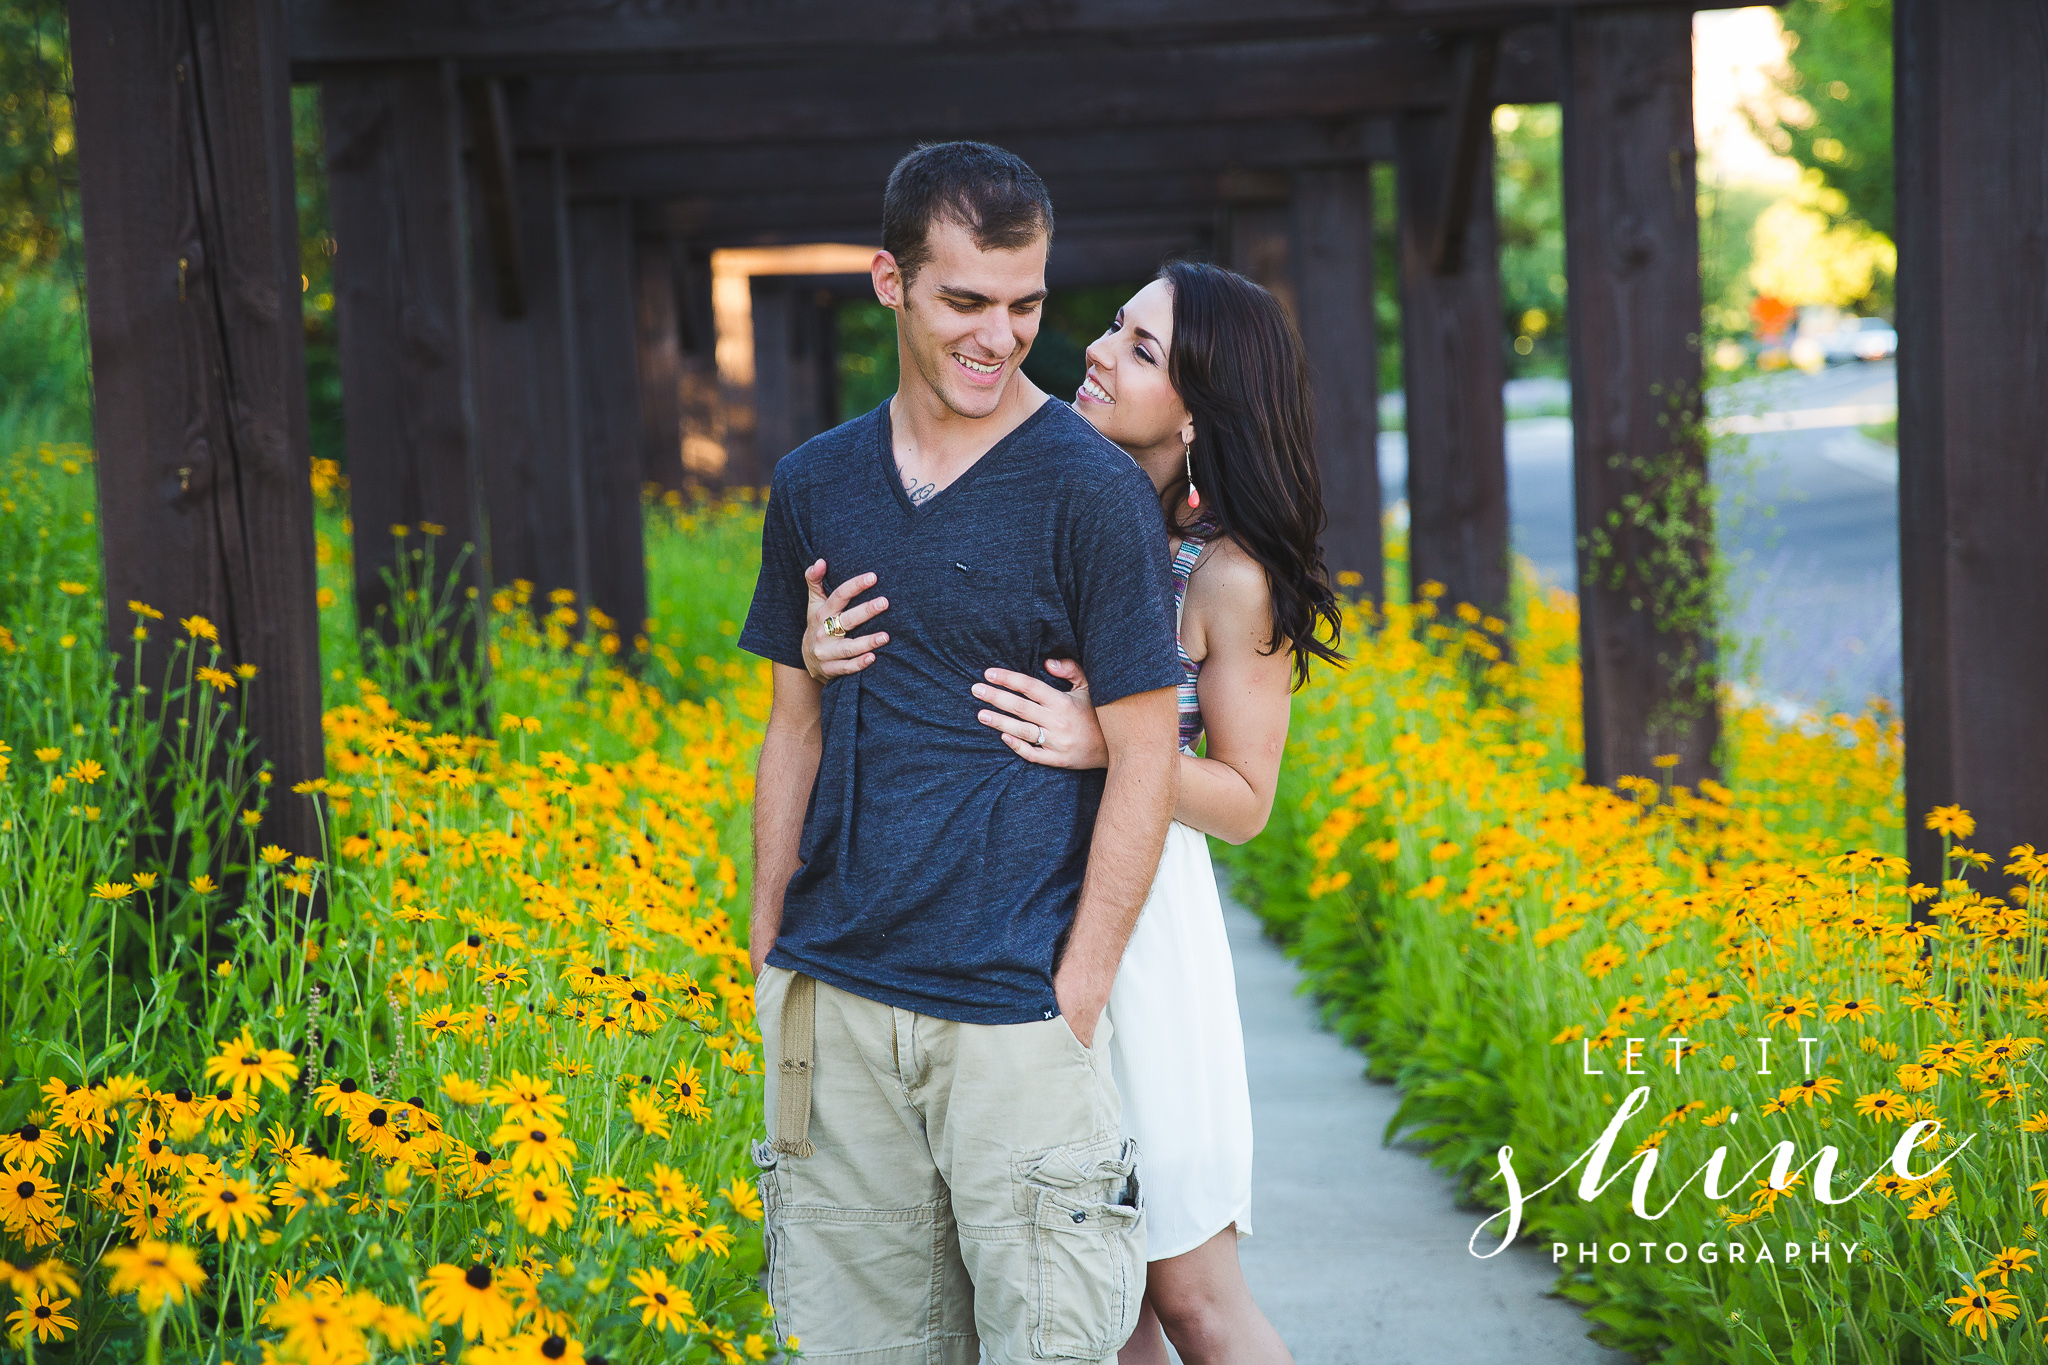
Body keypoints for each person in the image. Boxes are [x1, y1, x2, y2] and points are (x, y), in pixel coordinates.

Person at [800, 260, 1342, 1365]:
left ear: (1200, 411)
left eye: (1141, 350)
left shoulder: (1226, 574)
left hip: (1141, 933)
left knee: (1189, 1292)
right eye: (1112, 328)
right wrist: (818, 655)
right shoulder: (1048, 495)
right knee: (1100, 1296)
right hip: (1012, 911)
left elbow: (1243, 802)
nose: (1095, 350)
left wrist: (1118, 741)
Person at [738, 140, 1184, 1365]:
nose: (1001, 337)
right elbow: (793, 718)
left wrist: (1077, 989)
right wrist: (771, 937)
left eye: (1026, 304)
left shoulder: (1087, 491)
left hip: (1013, 1013)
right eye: (965, 302)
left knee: (1049, 1345)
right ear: (889, 282)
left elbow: (1146, 753)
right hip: (838, 994)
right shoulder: (813, 482)